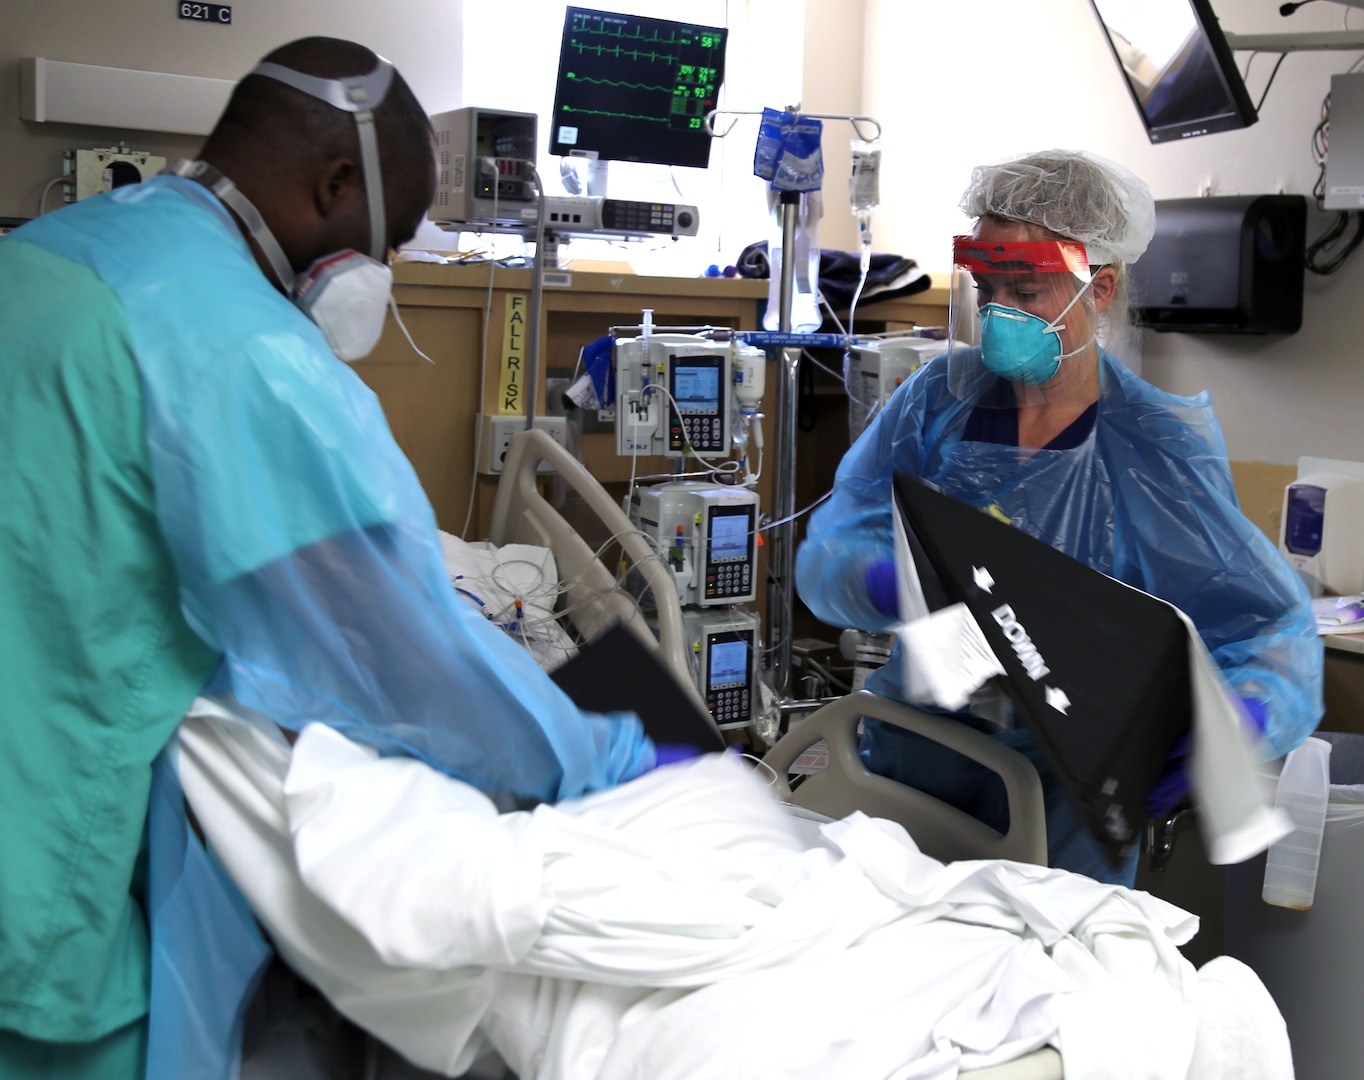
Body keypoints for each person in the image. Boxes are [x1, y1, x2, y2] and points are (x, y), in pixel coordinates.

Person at [0, 38, 660, 1079]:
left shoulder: (54, 250)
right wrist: (602, 755)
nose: (381, 272)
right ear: (334, 183)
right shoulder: (242, 346)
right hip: (46, 832)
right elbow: (390, 652)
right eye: (385, 237)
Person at [796, 149, 1323, 886]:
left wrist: (1240, 719)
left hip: (1064, 800)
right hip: (911, 760)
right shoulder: (936, 405)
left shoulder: (1151, 450)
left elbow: (1268, 631)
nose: (1000, 310)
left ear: (1098, 289)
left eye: (1028, 287)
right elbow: (836, 542)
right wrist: (889, 581)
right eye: (988, 287)